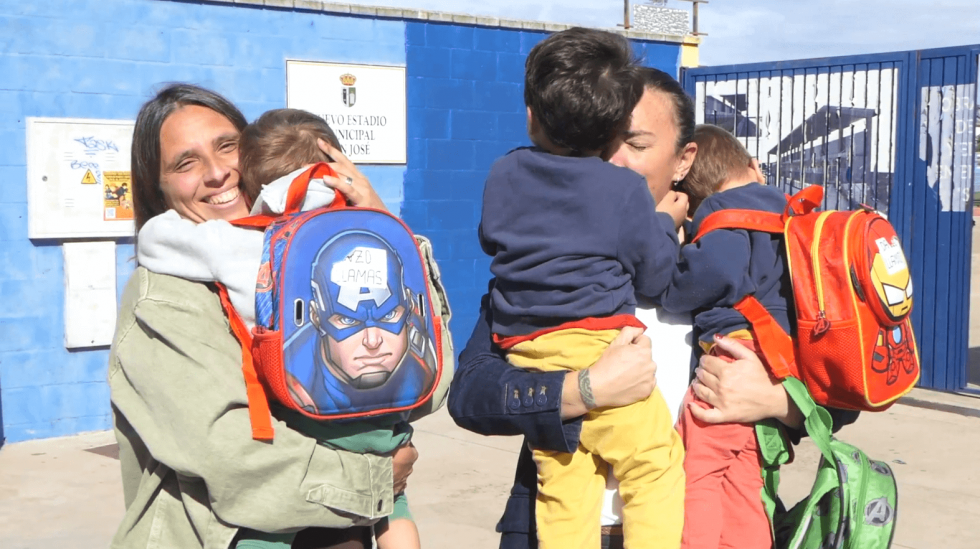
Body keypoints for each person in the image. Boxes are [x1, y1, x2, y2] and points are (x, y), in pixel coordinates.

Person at [449, 67, 856, 549]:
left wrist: (779, 402)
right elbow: (469, 394)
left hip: (699, 531)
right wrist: (578, 391)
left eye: (636, 145)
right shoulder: (549, 265)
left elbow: (840, 394)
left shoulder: (736, 261)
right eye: (604, 145)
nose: (614, 162)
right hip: (560, 529)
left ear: (684, 160)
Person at [109, 84, 435, 549]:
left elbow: (428, 383)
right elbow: (226, 453)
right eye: (186, 162)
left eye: (227, 147)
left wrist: (379, 226)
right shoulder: (160, 295)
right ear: (156, 187)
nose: (218, 172)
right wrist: (374, 479)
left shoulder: (309, 260)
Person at [478, 28, 686, 549]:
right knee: (654, 463)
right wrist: (662, 223)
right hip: (595, 340)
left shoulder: (504, 171)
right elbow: (656, 277)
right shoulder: (625, 192)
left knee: (565, 484)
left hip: (526, 348)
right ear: (612, 128)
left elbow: (491, 238)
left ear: (531, 115)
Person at [659, 124, 792, 549]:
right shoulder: (786, 212)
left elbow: (709, 276)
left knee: (697, 467)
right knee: (742, 475)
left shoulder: (724, 216)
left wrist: (671, 250)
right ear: (751, 166)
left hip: (735, 353)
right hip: (774, 359)